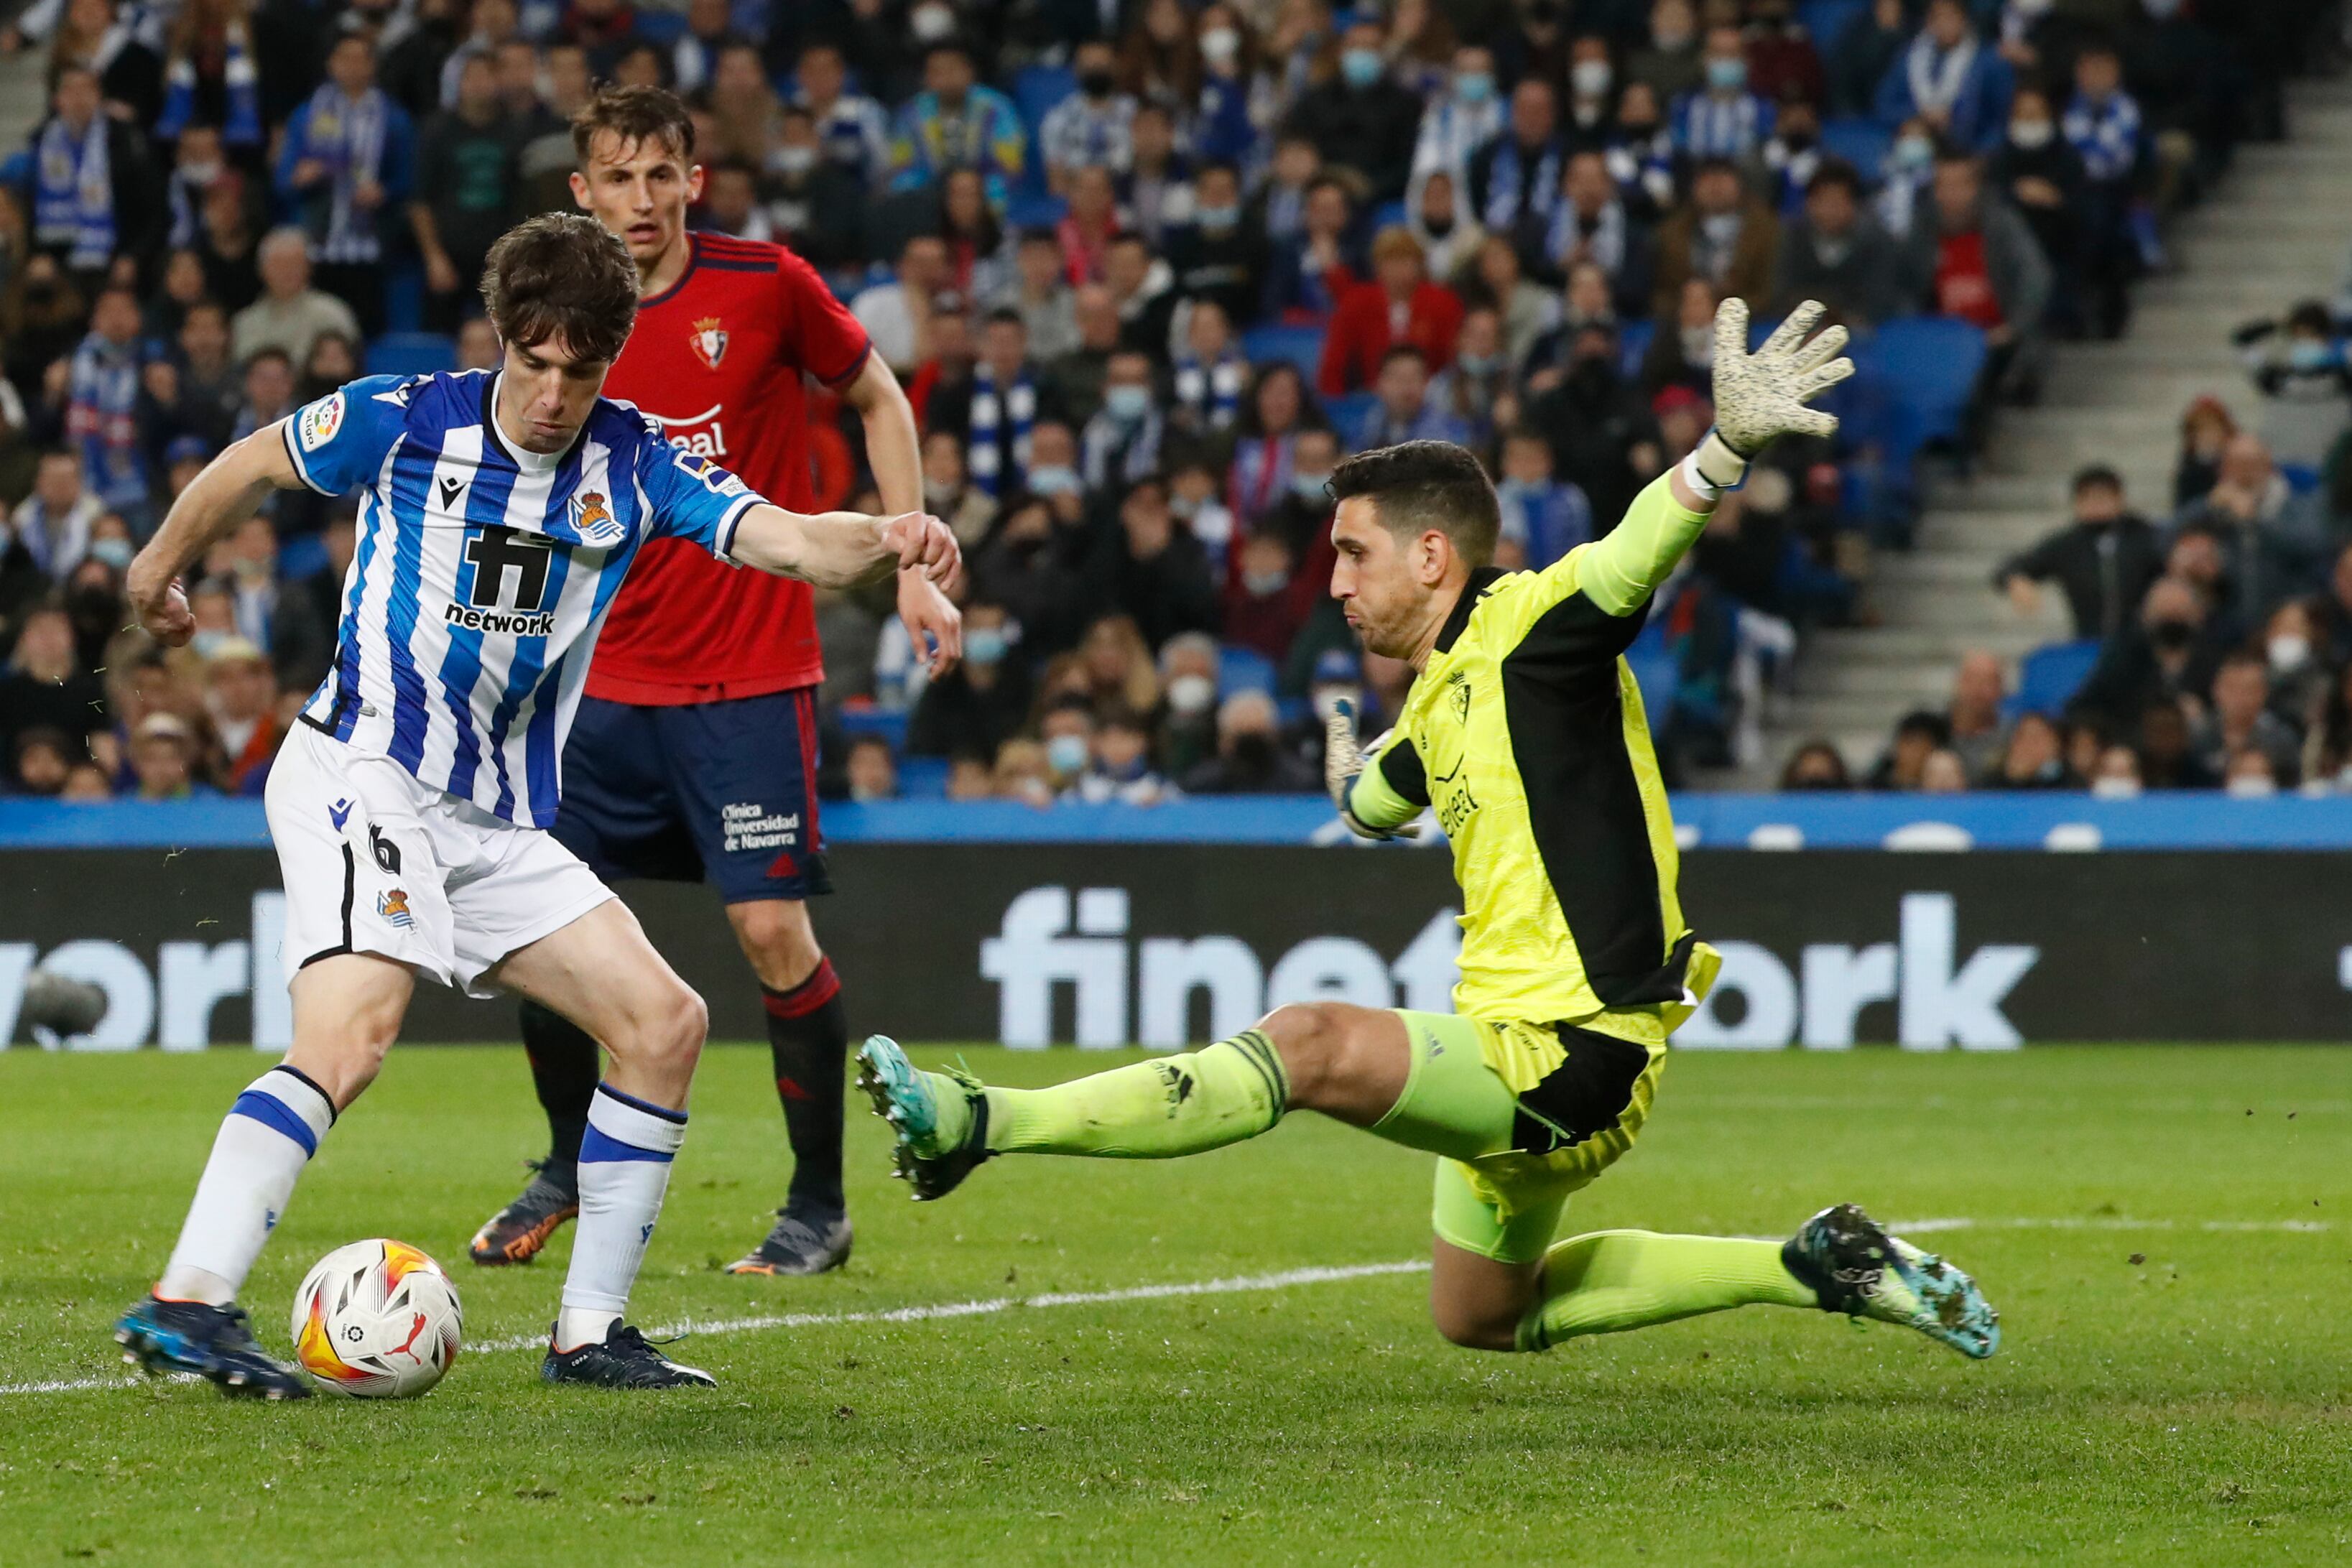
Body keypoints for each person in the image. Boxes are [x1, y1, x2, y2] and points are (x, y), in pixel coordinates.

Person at [857, 303, 2000, 1367]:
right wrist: (1354, 778)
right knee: (1480, 1315)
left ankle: (979, 1120)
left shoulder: (1533, 631)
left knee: (1302, 1041)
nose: (1335, 581)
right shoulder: (1442, 686)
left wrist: (1717, 457)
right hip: (1506, 1037)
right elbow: (1374, 799)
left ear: (1430, 557)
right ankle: (1815, 1262)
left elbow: (1629, 556)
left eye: (1353, 553)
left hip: (1576, 1045)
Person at [110, 209, 958, 1399]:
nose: (555, 392)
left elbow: (786, 540)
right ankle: (188, 1299)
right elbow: (254, 459)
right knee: (352, 1031)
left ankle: (588, 1333)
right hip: (367, 769)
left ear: (613, 356)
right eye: (536, 360)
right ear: (504, 339)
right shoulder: (403, 419)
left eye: (582, 366)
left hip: (495, 820)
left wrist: (893, 537)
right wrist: (160, 565)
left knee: (664, 1024)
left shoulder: (639, 458)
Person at [463, 89, 952, 1284]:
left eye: (659, 176)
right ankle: (562, 1165)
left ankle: (816, 1205)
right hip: (596, 682)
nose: (639, 199)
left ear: (692, 181)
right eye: (615, 178)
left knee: (769, 929)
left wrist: (908, 555)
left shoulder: (766, 283)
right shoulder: (559, 314)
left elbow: (878, 392)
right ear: (580, 190)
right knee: (541, 920)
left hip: (745, 671)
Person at [1993, 465, 2162, 644]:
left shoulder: (2146, 537)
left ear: (2119, 498)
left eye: (2103, 497)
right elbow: (2012, 567)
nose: (2096, 504)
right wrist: (2016, 580)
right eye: (2088, 498)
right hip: (2087, 641)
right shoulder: (2067, 545)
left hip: (2143, 644)